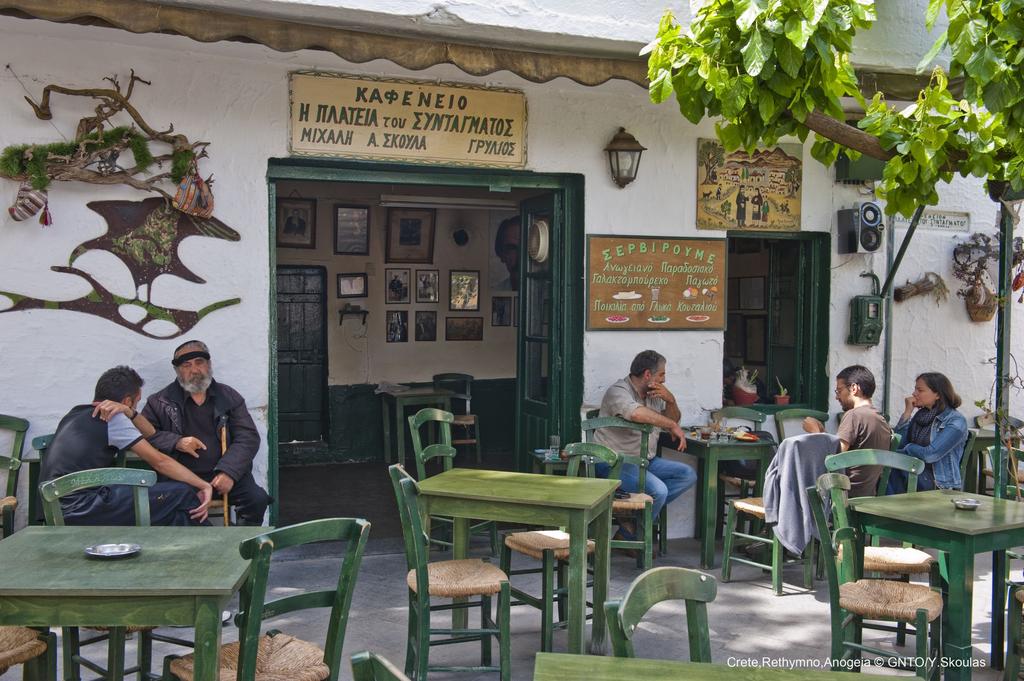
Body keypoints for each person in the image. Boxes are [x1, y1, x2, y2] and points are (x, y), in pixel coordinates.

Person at [39, 366, 212, 526]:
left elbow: (150, 432)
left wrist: (130, 412)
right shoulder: (112, 419)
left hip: (55, 508)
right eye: (136, 402)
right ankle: (217, 549)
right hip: (81, 507)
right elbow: (159, 461)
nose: (136, 406)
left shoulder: (74, 413)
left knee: (177, 516)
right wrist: (203, 485)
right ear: (127, 400)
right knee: (182, 492)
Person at [141, 340, 272, 525]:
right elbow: (146, 436)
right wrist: (176, 441)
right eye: (186, 365)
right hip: (182, 480)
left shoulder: (228, 397)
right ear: (178, 371)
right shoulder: (159, 402)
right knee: (184, 512)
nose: (194, 370)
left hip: (224, 476)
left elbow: (248, 437)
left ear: (209, 365)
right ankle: (212, 546)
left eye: (199, 362)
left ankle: (244, 548)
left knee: (256, 499)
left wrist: (229, 472)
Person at [593, 350, 697, 541]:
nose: (664, 380)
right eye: (661, 374)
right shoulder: (618, 391)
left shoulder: (654, 394)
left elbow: (672, 419)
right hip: (613, 463)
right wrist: (671, 425)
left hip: (644, 461)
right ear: (648, 374)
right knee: (659, 491)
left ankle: (630, 525)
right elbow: (635, 414)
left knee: (687, 475)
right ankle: (636, 537)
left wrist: (671, 401)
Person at [803, 365, 891, 497]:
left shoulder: (854, 415)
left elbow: (833, 459)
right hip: (867, 495)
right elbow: (850, 451)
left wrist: (815, 432)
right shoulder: (880, 420)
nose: (837, 397)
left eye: (839, 391)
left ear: (854, 388)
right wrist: (824, 433)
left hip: (842, 496)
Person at [889, 372, 968, 492]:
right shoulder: (921, 416)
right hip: (914, 470)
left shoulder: (955, 421)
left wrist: (909, 448)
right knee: (883, 469)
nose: (914, 393)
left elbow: (930, 455)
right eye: (915, 389)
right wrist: (907, 413)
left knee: (889, 470)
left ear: (937, 394)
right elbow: (897, 445)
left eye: (920, 390)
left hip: (938, 481)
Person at [493, 215, 520, 291]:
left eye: (527, 247)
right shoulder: (496, 291)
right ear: (502, 254)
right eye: (511, 248)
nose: (520, 256)